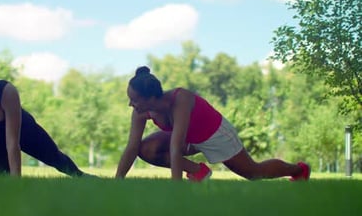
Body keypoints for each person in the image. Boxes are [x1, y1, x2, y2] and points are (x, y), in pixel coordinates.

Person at [115, 66, 310, 182]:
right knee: (145, 149)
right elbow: (132, 147)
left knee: (253, 173)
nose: (131, 104)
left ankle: (299, 170)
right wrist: (118, 182)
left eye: (135, 99)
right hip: (189, 139)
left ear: (150, 97)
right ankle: (198, 172)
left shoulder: (180, 99)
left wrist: (175, 189)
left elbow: (175, 146)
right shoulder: (141, 111)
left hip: (214, 134)